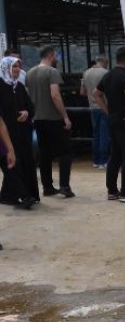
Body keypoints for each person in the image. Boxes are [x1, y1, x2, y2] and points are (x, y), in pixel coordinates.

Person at [94, 46, 125, 203]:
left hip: (113, 120)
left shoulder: (108, 75)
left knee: (115, 155)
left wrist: (108, 110)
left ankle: (112, 191)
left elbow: (96, 94)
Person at [25, 45, 75, 198]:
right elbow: (55, 95)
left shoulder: (30, 73)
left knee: (45, 153)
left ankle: (47, 187)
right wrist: (65, 116)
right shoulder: (52, 72)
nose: (56, 59)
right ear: (50, 55)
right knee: (65, 152)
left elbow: (28, 95)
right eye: (55, 56)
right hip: (53, 118)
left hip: (38, 118)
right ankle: (65, 186)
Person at [0, 56, 38, 209]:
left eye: (18, 67)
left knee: (23, 162)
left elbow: (30, 106)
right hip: (4, 133)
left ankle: (8, 195)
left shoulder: (19, 87)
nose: (17, 70)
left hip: (21, 133)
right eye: (14, 67)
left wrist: (27, 113)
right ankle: (24, 195)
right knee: (11, 164)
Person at [80, 54, 110, 169]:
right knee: (104, 135)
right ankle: (103, 160)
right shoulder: (105, 73)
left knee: (96, 134)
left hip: (92, 107)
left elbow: (82, 92)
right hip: (104, 106)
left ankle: (96, 160)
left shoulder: (86, 73)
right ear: (104, 62)